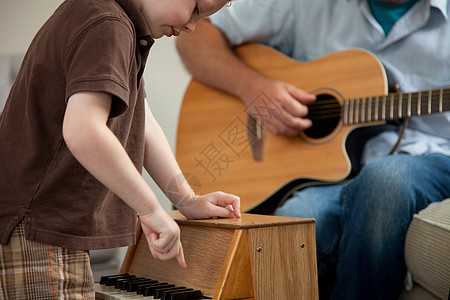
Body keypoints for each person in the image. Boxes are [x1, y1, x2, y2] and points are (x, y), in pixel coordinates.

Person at [175, 1, 450, 299]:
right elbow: (194, 31)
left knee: (386, 179)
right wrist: (254, 87)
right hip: (332, 176)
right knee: (297, 220)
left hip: (428, 161)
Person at [0, 0, 240, 298]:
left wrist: (187, 200)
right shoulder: (107, 24)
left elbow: (143, 121)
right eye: (195, 9)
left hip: (43, 224)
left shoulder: (118, 22)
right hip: (38, 225)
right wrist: (150, 209)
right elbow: (83, 130)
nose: (192, 26)